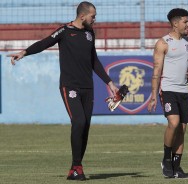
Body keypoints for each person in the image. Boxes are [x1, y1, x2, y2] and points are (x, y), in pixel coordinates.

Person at [8, 1, 118, 181]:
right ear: (83, 16)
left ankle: (75, 169)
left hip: (88, 88)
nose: (95, 19)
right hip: (70, 86)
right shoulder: (65, 31)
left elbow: (94, 61)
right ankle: (76, 167)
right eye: (93, 16)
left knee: (85, 128)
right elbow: (44, 43)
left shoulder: (90, 33)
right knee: (79, 121)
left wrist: (109, 83)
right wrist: (24, 52)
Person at [147, 8, 188, 178]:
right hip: (168, 89)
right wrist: (154, 95)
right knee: (174, 123)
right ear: (175, 24)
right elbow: (156, 70)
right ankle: (166, 159)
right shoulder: (163, 43)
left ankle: (177, 168)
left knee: (182, 129)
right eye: (185, 21)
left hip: (185, 90)